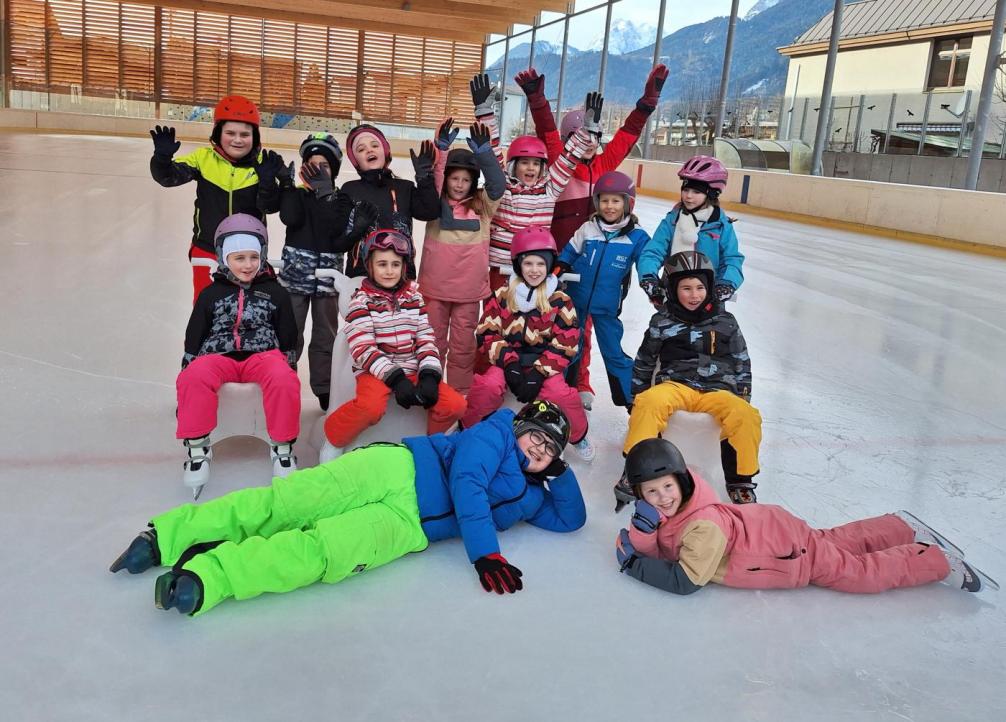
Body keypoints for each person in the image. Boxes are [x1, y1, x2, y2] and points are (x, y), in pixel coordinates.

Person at [109, 402, 587, 616]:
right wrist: (486, 553)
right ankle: (167, 535)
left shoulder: (528, 495)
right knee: (287, 503)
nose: (538, 449)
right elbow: (466, 484)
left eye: (550, 449)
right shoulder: (495, 435)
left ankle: (210, 578)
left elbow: (570, 520)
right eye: (536, 436)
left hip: (406, 527)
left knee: (322, 553)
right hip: (396, 469)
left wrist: (558, 476)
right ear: (520, 426)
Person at [614, 438, 996, 595]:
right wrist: (642, 534)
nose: (661, 498)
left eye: (667, 487)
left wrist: (634, 564)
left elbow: (686, 579)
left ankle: (934, 560)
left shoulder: (703, 526)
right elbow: (665, 545)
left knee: (858, 573)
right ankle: (900, 526)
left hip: (785, 554)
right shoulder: (678, 509)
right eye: (652, 492)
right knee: (832, 540)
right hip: (773, 531)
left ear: (682, 481)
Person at [617, 251, 761, 506]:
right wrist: (637, 397)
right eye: (686, 288)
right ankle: (636, 468)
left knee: (746, 416)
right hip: (676, 385)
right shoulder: (662, 321)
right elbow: (645, 360)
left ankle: (740, 479)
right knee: (650, 403)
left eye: (699, 287)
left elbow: (742, 360)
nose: (694, 295)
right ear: (672, 288)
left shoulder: (726, 321)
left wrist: (744, 396)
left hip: (719, 390)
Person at [176, 214, 300, 497]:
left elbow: (287, 328)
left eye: (253, 257)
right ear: (224, 258)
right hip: (218, 355)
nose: (248, 265)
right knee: (194, 377)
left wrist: (288, 359)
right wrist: (189, 358)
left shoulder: (274, 291)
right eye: (239, 258)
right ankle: (197, 447)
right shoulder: (212, 293)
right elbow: (196, 328)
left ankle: (282, 446)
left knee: (283, 379)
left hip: (263, 354)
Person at [323, 229, 466, 451]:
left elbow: (426, 339)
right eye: (382, 264)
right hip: (374, 371)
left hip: (413, 367)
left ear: (404, 267)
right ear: (370, 266)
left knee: (455, 405)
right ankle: (333, 438)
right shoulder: (360, 301)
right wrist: (396, 379)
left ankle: (429, 443)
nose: (389, 271)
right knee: (371, 407)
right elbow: (363, 349)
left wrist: (429, 374)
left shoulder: (414, 297)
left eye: (395, 265)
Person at [463, 226, 593, 461]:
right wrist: (509, 364)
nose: (535, 270)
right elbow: (488, 331)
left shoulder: (560, 300)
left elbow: (566, 342)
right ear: (518, 266)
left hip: (544, 363)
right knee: (488, 385)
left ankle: (578, 435)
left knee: (561, 393)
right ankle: (468, 429)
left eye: (541, 264)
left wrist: (539, 373)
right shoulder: (503, 294)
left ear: (549, 265)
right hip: (507, 361)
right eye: (529, 264)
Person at [467, 74, 599, 295]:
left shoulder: (549, 189)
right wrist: (484, 113)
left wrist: (586, 131)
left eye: (536, 164)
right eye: (524, 163)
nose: (530, 168)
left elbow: (568, 158)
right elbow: (494, 149)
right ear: (513, 165)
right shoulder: (503, 185)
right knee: (496, 317)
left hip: (533, 268)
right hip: (501, 266)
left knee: (530, 320)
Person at [148, 95, 286, 303]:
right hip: (208, 249)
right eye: (230, 133)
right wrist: (161, 160)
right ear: (218, 133)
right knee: (206, 305)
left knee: (248, 307)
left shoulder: (262, 164)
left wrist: (268, 182)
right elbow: (168, 178)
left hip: (248, 254)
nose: (237, 140)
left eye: (245, 134)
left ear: (255, 137)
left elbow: (271, 206)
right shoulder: (203, 159)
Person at [277, 132, 366, 411]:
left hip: (327, 281)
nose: (317, 170)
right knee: (290, 333)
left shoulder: (340, 200)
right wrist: (287, 186)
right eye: (312, 164)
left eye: (324, 166)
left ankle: (324, 388)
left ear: (334, 171)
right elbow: (289, 218)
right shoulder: (298, 196)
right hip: (295, 278)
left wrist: (326, 194)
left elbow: (336, 234)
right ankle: (283, 384)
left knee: (325, 336)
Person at [417, 118, 506, 395]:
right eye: (455, 178)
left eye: (466, 180)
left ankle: (459, 394)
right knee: (434, 342)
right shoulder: (435, 203)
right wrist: (441, 150)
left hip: (468, 290)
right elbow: (436, 178)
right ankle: (430, 390)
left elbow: (497, 185)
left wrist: (484, 154)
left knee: (462, 345)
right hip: (436, 287)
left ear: (473, 182)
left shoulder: (483, 205)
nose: (459, 184)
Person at [556, 171, 649, 410]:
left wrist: (652, 282)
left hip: (607, 308)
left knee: (613, 353)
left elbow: (647, 262)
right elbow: (568, 254)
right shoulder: (588, 228)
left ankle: (632, 401)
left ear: (628, 203)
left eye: (616, 200)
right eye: (604, 200)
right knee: (568, 348)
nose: (609, 206)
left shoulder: (637, 237)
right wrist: (556, 270)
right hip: (575, 303)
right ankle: (561, 397)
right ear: (597, 202)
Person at [637, 155, 744, 306]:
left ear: (711, 194)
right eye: (685, 189)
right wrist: (649, 277)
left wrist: (726, 283)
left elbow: (731, 259)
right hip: (673, 294)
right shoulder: (672, 221)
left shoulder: (721, 225)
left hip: (708, 297)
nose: (688, 196)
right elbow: (653, 251)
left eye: (696, 192)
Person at [339, 124, 441, 278]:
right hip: (361, 276)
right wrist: (357, 229)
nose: (369, 150)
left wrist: (425, 178)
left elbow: (430, 212)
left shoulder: (404, 187)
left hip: (401, 274)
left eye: (375, 145)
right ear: (356, 161)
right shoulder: (349, 190)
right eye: (361, 149)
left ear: (385, 152)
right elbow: (339, 240)